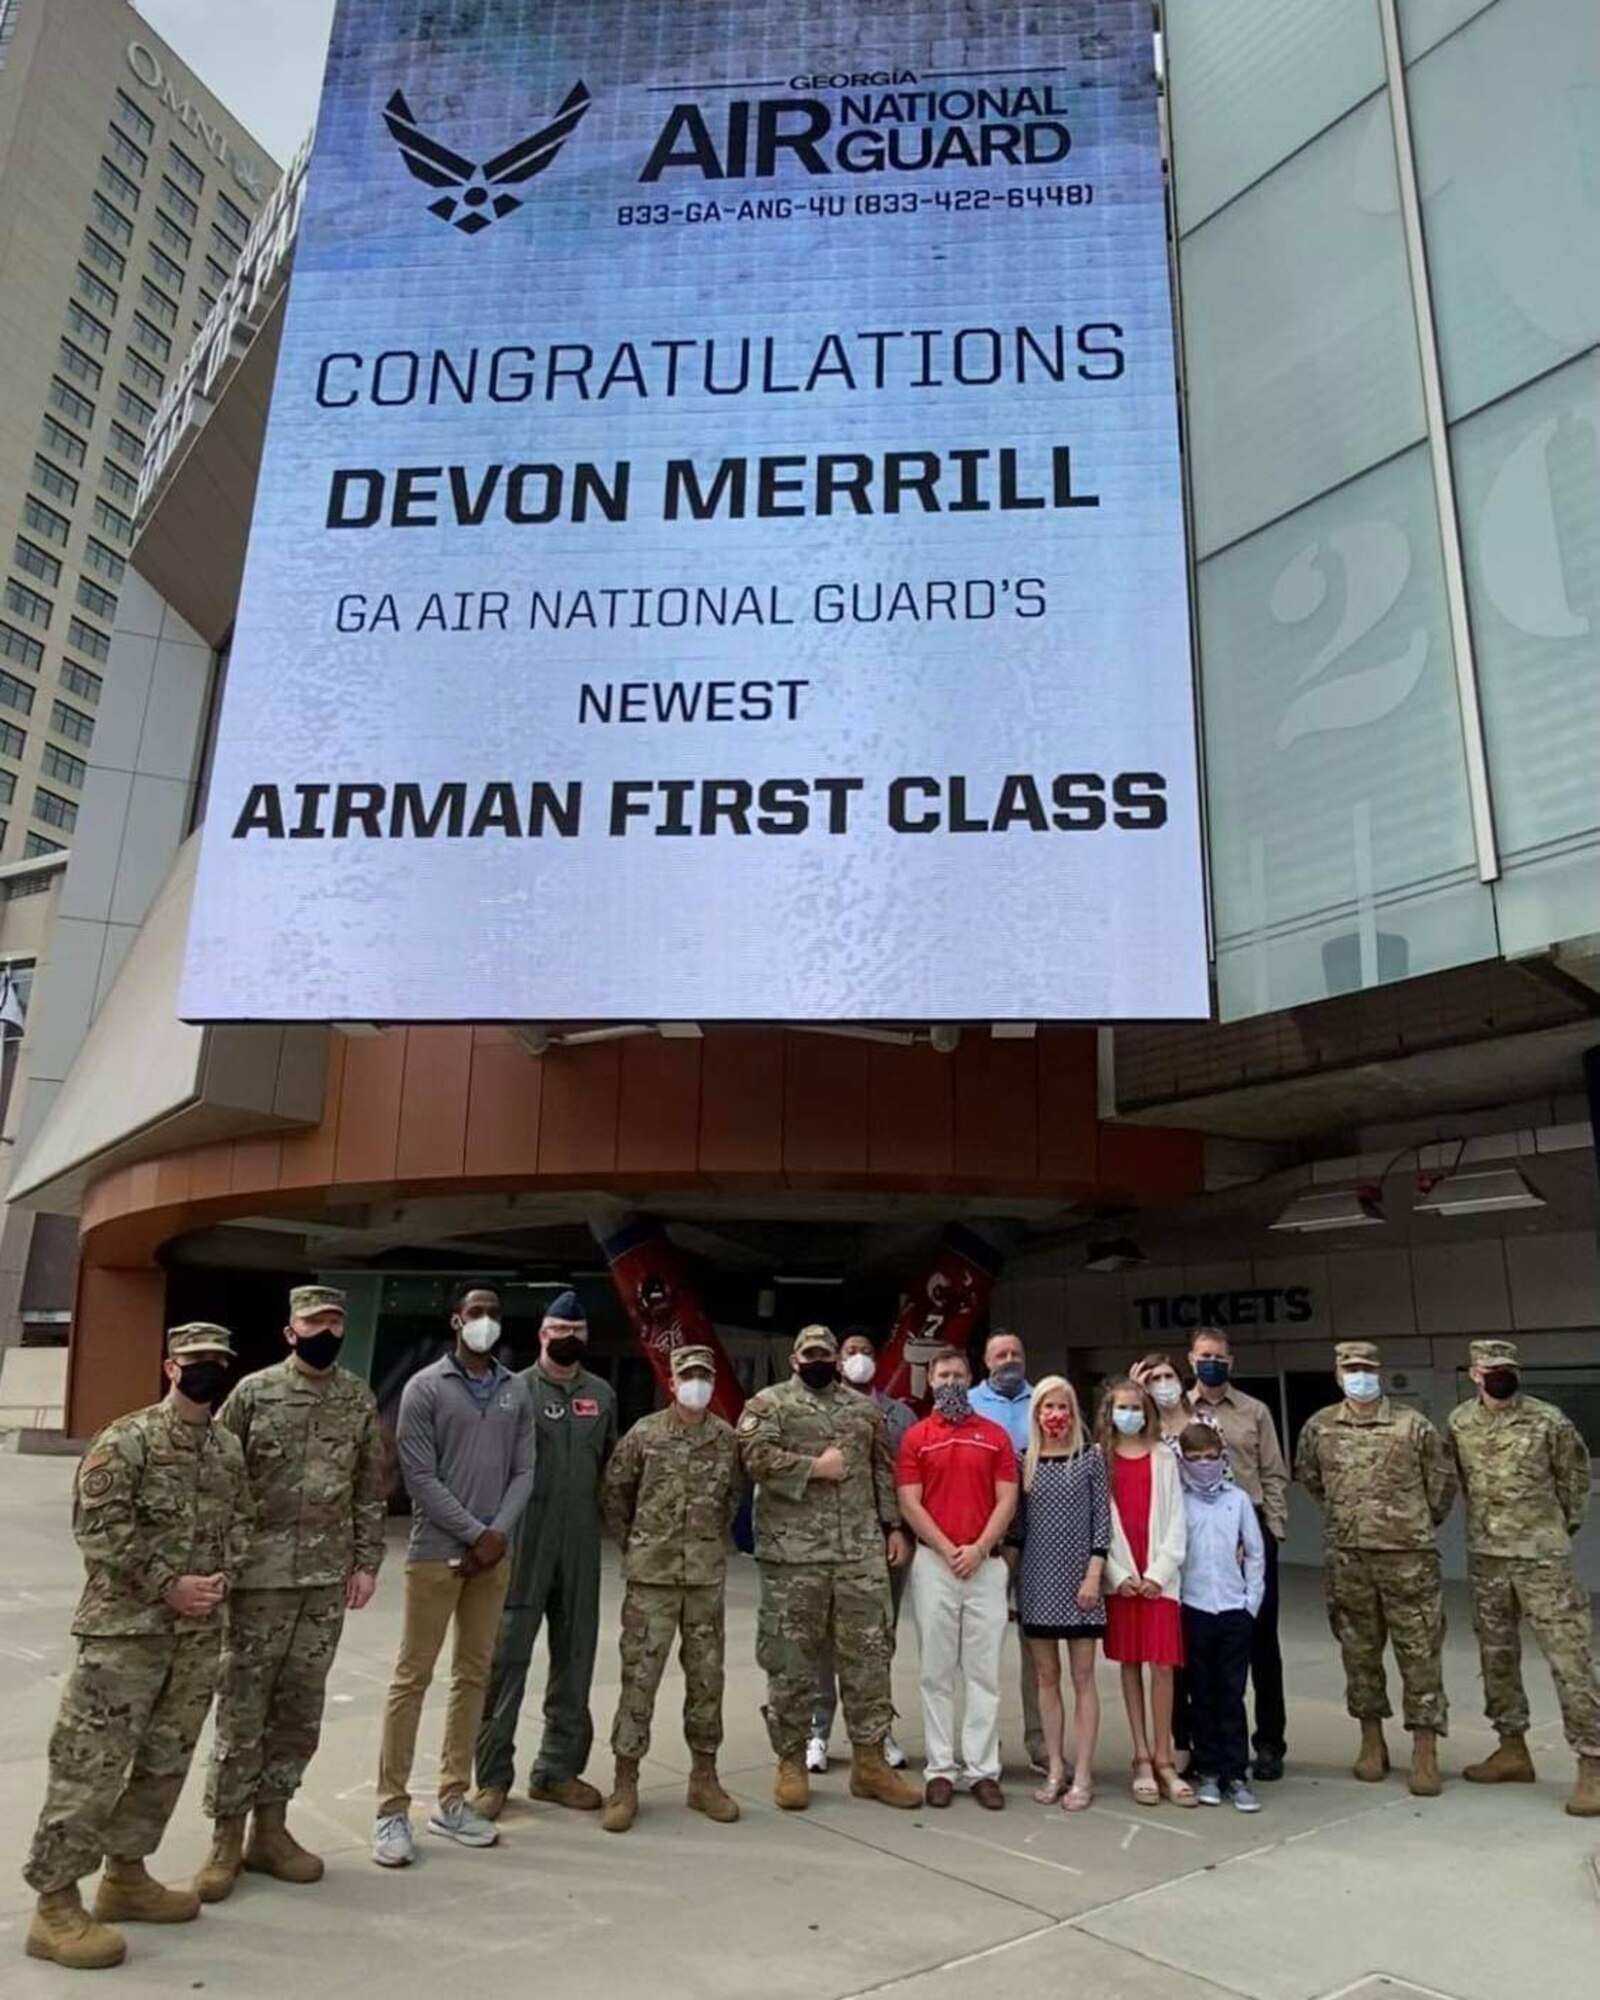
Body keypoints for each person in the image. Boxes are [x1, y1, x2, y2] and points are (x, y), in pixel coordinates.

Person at [23, 1324, 251, 1971]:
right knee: (91, 1764)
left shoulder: (227, 1450)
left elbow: (243, 1522)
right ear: (169, 1367)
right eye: (194, 1361)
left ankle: (126, 1876)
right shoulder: (127, 1439)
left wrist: (218, 1580)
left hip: (196, 1636)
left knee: (164, 1760)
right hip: (123, 1633)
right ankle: (55, 1903)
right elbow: (98, 1527)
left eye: (216, 1361)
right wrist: (166, 1585)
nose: (206, 1370)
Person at [197, 1284, 387, 1902]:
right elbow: (217, 1478)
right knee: (242, 1711)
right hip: (258, 1581)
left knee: (300, 1712)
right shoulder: (253, 1394)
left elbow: (369, 1487)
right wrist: (216, 1562)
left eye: (334, 1321)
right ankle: (226, 1839)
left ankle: (270, 1830)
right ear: (290, 1331)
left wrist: (365, 1563)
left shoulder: (356, 1397)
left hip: (324, 1583)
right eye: (313, 1321)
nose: (324, 1331)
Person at [373, 1285, 535, 1866]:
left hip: (493, 1557)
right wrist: (475, 1534)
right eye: (476, 1313)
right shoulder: (424, 1388)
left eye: (493, 1314)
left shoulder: (516, 1389)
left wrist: (497, 1536)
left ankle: (452, 1798)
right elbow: (418, 1474)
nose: (485, 1323)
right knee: (412, 1677)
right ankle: (391, 1810)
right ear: (456, 1321)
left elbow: (524, 1471)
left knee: (473, 1675)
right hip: (435, 1554)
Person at [737, 1324, 920, 1812]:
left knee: (869, 1658)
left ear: (838, 1360)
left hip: (858, 1553)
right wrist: (814, 1468)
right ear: (796, 1359)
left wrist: (893, 1527)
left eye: (826, 1352)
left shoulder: (864, 1411)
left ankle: (869, 1762)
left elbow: (884, 1469)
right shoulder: (768, 1404)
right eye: (809, 1352)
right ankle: (792, 1761)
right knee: (791, 1663)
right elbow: (754, 1458)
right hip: (793, 1557)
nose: (819, 1359)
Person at [473, 1290, 617, 1818]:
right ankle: (491, 1777)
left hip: (580, 1543)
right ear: (540, 1334)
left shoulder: (601, 1394)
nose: (566, 1340)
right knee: (505, 1659)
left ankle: (557, 1771)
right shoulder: (509, 1392)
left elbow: (610, 1469)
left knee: (576, 1658)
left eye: (576, 1332)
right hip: (521, 1541)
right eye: (557, 1331)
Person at [1295, 1340, 1456, 1797]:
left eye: (1367, 1368)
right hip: (1349, 1558)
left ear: (1380, 1372)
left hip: (1409, 1559)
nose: (1359, 1375)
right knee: (1359, 1653)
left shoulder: (1413, 1426)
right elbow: (1312, 1479)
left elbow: (1442, 1485)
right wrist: (1352, 1518)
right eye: (1351, 1368)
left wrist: (1410, 1523)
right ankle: (1372, 1741)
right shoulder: (1320, 1427)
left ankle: (1425, 1748)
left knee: (1420, 1652)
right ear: (1337, 1374)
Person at [1449, 1337, 1600, 1817]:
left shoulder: (1548, 1420)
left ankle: (1593, 1763)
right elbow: (1458, 1482)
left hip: (1541, 1559)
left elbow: (1575, 1483)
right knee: (1497, 1656)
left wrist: (1552, 1530)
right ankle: (1511, 1748)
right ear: (1474, 1373)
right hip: (1488, 1558)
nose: (1501, 1375)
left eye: (1508, 1368)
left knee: (1569, 1658)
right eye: (1491, 1368)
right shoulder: (1459, 1423)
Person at [598, 1345, 742, 1832]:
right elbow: (616, 1493)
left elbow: (731, 1500)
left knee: (707, 1679)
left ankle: (704, 1777)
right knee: (639, 1679)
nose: (697, 1382)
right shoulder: (645, 1434)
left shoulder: (726, 1439)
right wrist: (638, 1545)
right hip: (652, 1580)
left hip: (704, 1578)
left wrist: (704, 1545)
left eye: (705, 1374)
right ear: (673, 1382)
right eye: (688, 1375)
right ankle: (625, 1781)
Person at [896, 1346, 1018, 1809]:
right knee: (936, 1672)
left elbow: (1007, 1499)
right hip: (935, 1563)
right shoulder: (917, 1437)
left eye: (958, 1375)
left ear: (971, 1378)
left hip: (985, 1566)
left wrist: (980, 1547)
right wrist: (949, 1550)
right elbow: (910, 1502)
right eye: (943, 1376)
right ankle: (941, 1768)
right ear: (930, 1381)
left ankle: (983, 1770)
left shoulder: (995, 1436)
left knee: (984, 1674)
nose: (951, 1383)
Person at [1183, 1328, 1290, 1782]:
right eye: (1204, 1355)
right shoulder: (1174, 1410)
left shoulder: (1254, 1411)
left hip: (1248, 1533)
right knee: (1200, 1648)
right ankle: (1202, 1747)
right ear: (1191, 1360)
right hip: (1194, 1536)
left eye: (1220, 1357)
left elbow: (1273, 1473)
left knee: (1260, 1641)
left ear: (1231, 1361)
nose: (1212, 1363)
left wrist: (1272, 1533)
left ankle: (1268, 1743)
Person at [809, 1326, 916, 1774]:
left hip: (882, 1539)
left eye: (866, 1351)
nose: (858, 1358)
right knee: (824, 1639)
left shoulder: (898, 1416)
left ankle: (876, 1730)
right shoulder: (815, 1409)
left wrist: (899, 1529)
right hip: (830, 1540)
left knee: (877, 1641)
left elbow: (903, 1476)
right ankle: (817, 1730)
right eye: (850, 1351)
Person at [1012, 1377, 1109, 1813]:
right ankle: (1055, 1766)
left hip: (1081, 1585)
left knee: (1083, 1679)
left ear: (1074, 1412)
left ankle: (1084, 1773)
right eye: (1046, 1407)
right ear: (1036, 1414)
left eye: (1062, 1406)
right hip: (1036, 1584)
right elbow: (1018, 1528)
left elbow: (1101, 1522)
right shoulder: (1024, 1463)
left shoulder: (1090, 1458)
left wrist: (1094, 1575)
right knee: (1046, 1681)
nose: (1055, 1415)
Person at [1101, 1376, 1192, 1807]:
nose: (1130, 1415)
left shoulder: (1163, 1458)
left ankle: (1164, 1756)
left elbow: (1177, 1522)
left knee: (1162, 1667)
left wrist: (1159, 1572)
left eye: (1137, 1408)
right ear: (1109, 1413)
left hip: (1159, 1582)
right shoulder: (1100, 1461)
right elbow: (1098, 1524)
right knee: (1131, 1665)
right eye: (1123, 1407)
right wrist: (1119, 1574)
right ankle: (1140, 1755)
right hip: (1122, 1580)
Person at [1176, 1423, 1265, 1813]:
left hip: (1233, 1610)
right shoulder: (1180, 1502)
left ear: (1222, 1457)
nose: (1204, 1466)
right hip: (1194, 1608)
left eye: (1211, 1458)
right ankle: (1209, 1770)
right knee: (1202, 1693)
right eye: (1195, 1460)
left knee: (1232, 1694)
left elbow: (1256, 1553)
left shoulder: (1238, 1500)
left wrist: (1251, 1604)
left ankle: (1236, 1774)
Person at [970, 1328, 1047, 1773]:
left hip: (1039, 1535)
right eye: (1000, 1354)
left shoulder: (1045, 1401)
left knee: (1035, 1647)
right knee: (983, 1646)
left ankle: (1038, 1741)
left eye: (1016, 1352)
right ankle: (984, 1744)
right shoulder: (973, 1404)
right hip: (992, 1536)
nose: (1010, 1360)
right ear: (986, 1361)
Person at [1133, 1353, 1191, 1445]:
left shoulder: (1206, 1423)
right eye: (1156, 1379)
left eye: (1169, 1376)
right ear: (1147, 1388)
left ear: (1179, 1382)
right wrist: (1135, 1393)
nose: (1164, 1383)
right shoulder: (1145, 1432)